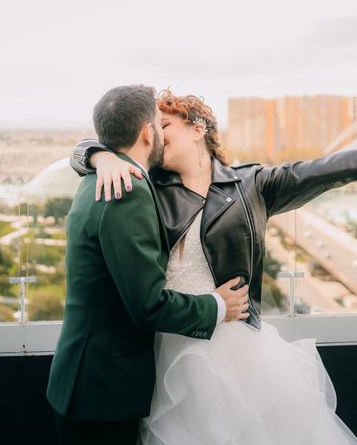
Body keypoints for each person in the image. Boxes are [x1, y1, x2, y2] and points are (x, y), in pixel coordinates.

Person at [71, 90, 357, 444]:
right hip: (164, 350)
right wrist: (99, 157)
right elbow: (94, 145)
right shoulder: (146, 185)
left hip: (236, 348)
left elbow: (330, 170)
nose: (156, 137)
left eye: (165, 126)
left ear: (198, 129)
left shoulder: (252, 185)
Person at [47, 85, 249, 445]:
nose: (163, 131)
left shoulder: (98, 177)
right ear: (146, 132)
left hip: (85, 379)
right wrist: (219, 306)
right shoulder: (127, 190)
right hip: (104, 390)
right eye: (159, 123)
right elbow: (148, 306)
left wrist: (98, 155)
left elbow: (84, 154)